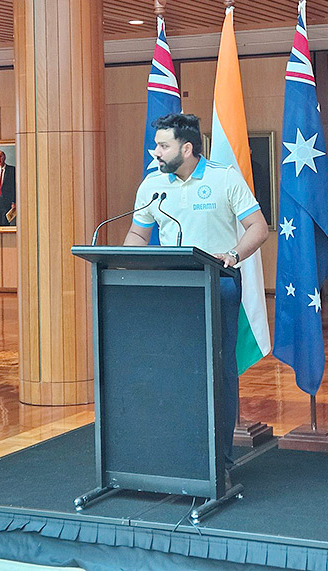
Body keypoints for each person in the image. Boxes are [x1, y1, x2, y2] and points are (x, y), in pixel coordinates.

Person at [123, 113, 268, 474]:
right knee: (171, 366)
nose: (154, 151)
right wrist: (124, 263)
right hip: (171, 288)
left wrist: (233, 255)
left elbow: (258, 227)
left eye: (162, 145)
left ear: (186, 148)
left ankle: (219, 457)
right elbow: (139, 234)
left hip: (217, 285)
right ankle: (176, 448)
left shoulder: (223, 178)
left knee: (218, 370)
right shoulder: (152, 185)